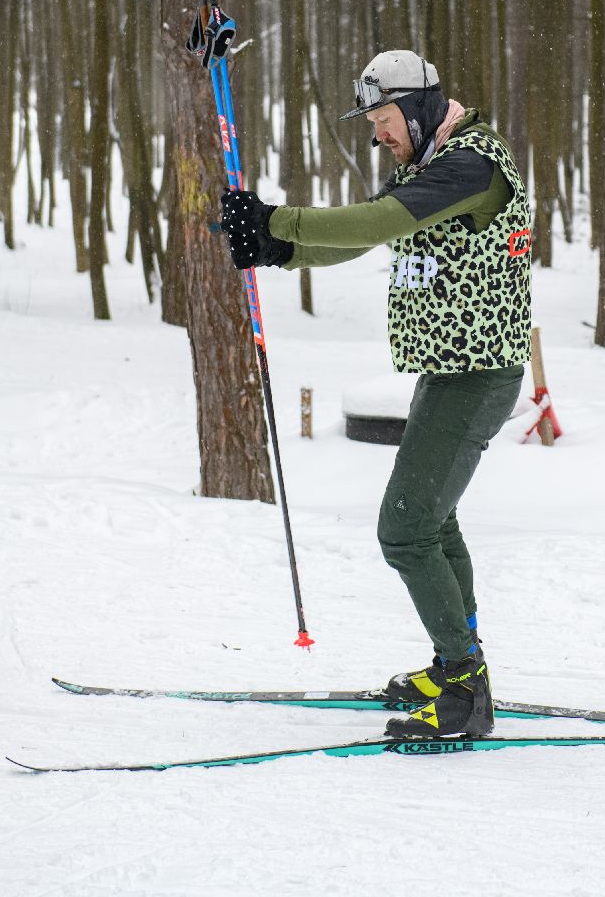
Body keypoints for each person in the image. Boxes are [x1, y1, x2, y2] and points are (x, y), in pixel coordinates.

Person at [218, 49, 533, 739]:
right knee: (433, 522)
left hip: (477, 375)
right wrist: (277, 250)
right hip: (453, 369)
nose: (378, 135)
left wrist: (276, 220)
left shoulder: (468, 165)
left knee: (406, 528)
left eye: (385, 119)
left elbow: (373, 224)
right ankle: (459, 668)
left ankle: (464, 690)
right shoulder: (429, 163)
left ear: (417, 109)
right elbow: (366, 234)